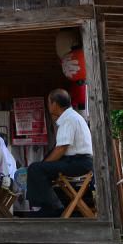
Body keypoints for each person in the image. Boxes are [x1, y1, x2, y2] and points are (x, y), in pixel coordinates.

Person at [26, 89, 94, 217]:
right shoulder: (71, 117)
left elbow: (61, 149)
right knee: (39, 168)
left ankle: (52, 208)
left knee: (35, 169)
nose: (48, 106)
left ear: (55, 104)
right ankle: (52, 205)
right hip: (79, 161)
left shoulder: (69, 119)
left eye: (49, 102)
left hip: (79, 163)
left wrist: (43, 166)